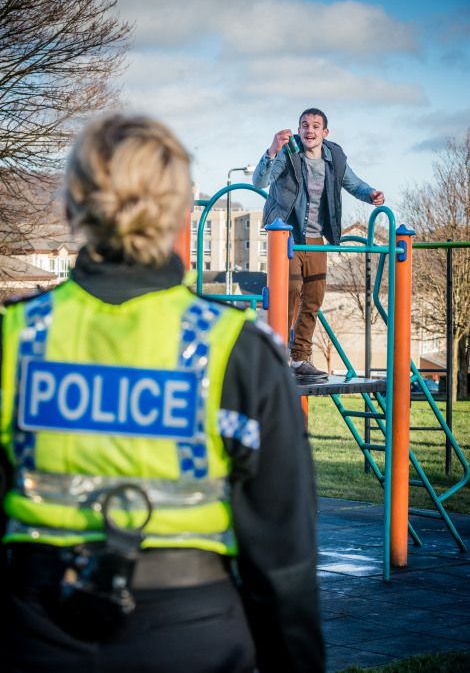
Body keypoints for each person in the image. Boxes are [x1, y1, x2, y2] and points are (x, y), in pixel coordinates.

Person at [0, 114, 325, 673]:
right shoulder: (237, 349)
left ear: (74, 206)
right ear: (180, 210)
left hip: (33, 632)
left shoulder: (15, 339)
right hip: (194, 637)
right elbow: (285, 558)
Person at [253, 108, 385, 383]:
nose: (309, 131)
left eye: (315, 126)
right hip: (285, 232)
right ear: (299, 130)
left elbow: (353, 183)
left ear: (325, 132)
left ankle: (300, 358)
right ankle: (276, 355)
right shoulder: (289, 151)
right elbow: (260, 181)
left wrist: (371, 193)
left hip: (315, 238)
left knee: (313, 297)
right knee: (287, 293)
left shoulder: (333, 157)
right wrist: (271, 151)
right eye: (304, 126)